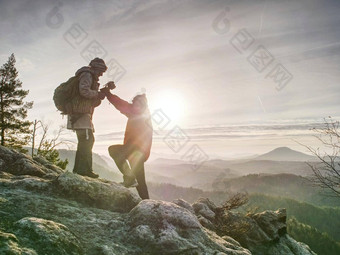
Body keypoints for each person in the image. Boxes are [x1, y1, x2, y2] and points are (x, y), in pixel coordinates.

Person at [101, 88, 153, 199]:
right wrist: (109, 94)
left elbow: (122, 105)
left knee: (113, 150)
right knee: (140, 181)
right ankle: (146, 202)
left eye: (138, 104)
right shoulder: (139, 114)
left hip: (137, 151)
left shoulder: (141, 116)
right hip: (135, 151)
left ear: (143, 106)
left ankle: (130, 179)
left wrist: (108, 93)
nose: (135, 106)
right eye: (134, 103)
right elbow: (120, 103)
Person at [67, 58, 107, 178]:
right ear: (96, 68)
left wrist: (99, 94)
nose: (101, 74)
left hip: (79, 114)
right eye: (100, 71)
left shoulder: (87, 75)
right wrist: (97, 94)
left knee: (84, 141)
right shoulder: (87, 75)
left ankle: (79, 170)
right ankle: (84, 171)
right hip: (80, 115)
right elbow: (84, 91)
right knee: (87, 140)